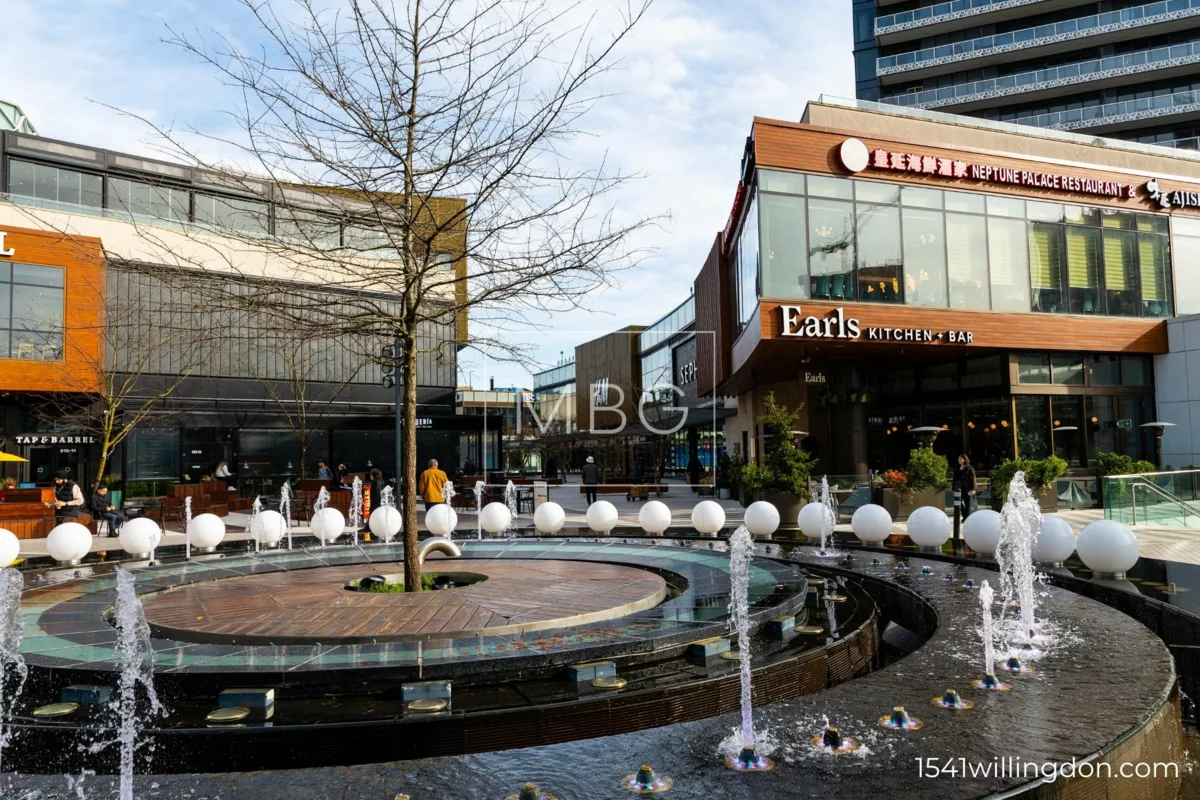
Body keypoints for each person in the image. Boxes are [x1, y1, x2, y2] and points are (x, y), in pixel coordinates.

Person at [955, 454, 977, 522]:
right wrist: (953, 487)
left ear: (964, 460)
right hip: (959, 488)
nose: (959, 460)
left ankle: (966, 518)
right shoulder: (957, 468)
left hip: (967, 489)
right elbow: (954, 479)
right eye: (958, 459)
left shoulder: (969, 468)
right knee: (959, 503)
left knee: (967, 504)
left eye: (960, 459)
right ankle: (965, 515)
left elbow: (973, 479)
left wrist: (973, 489)